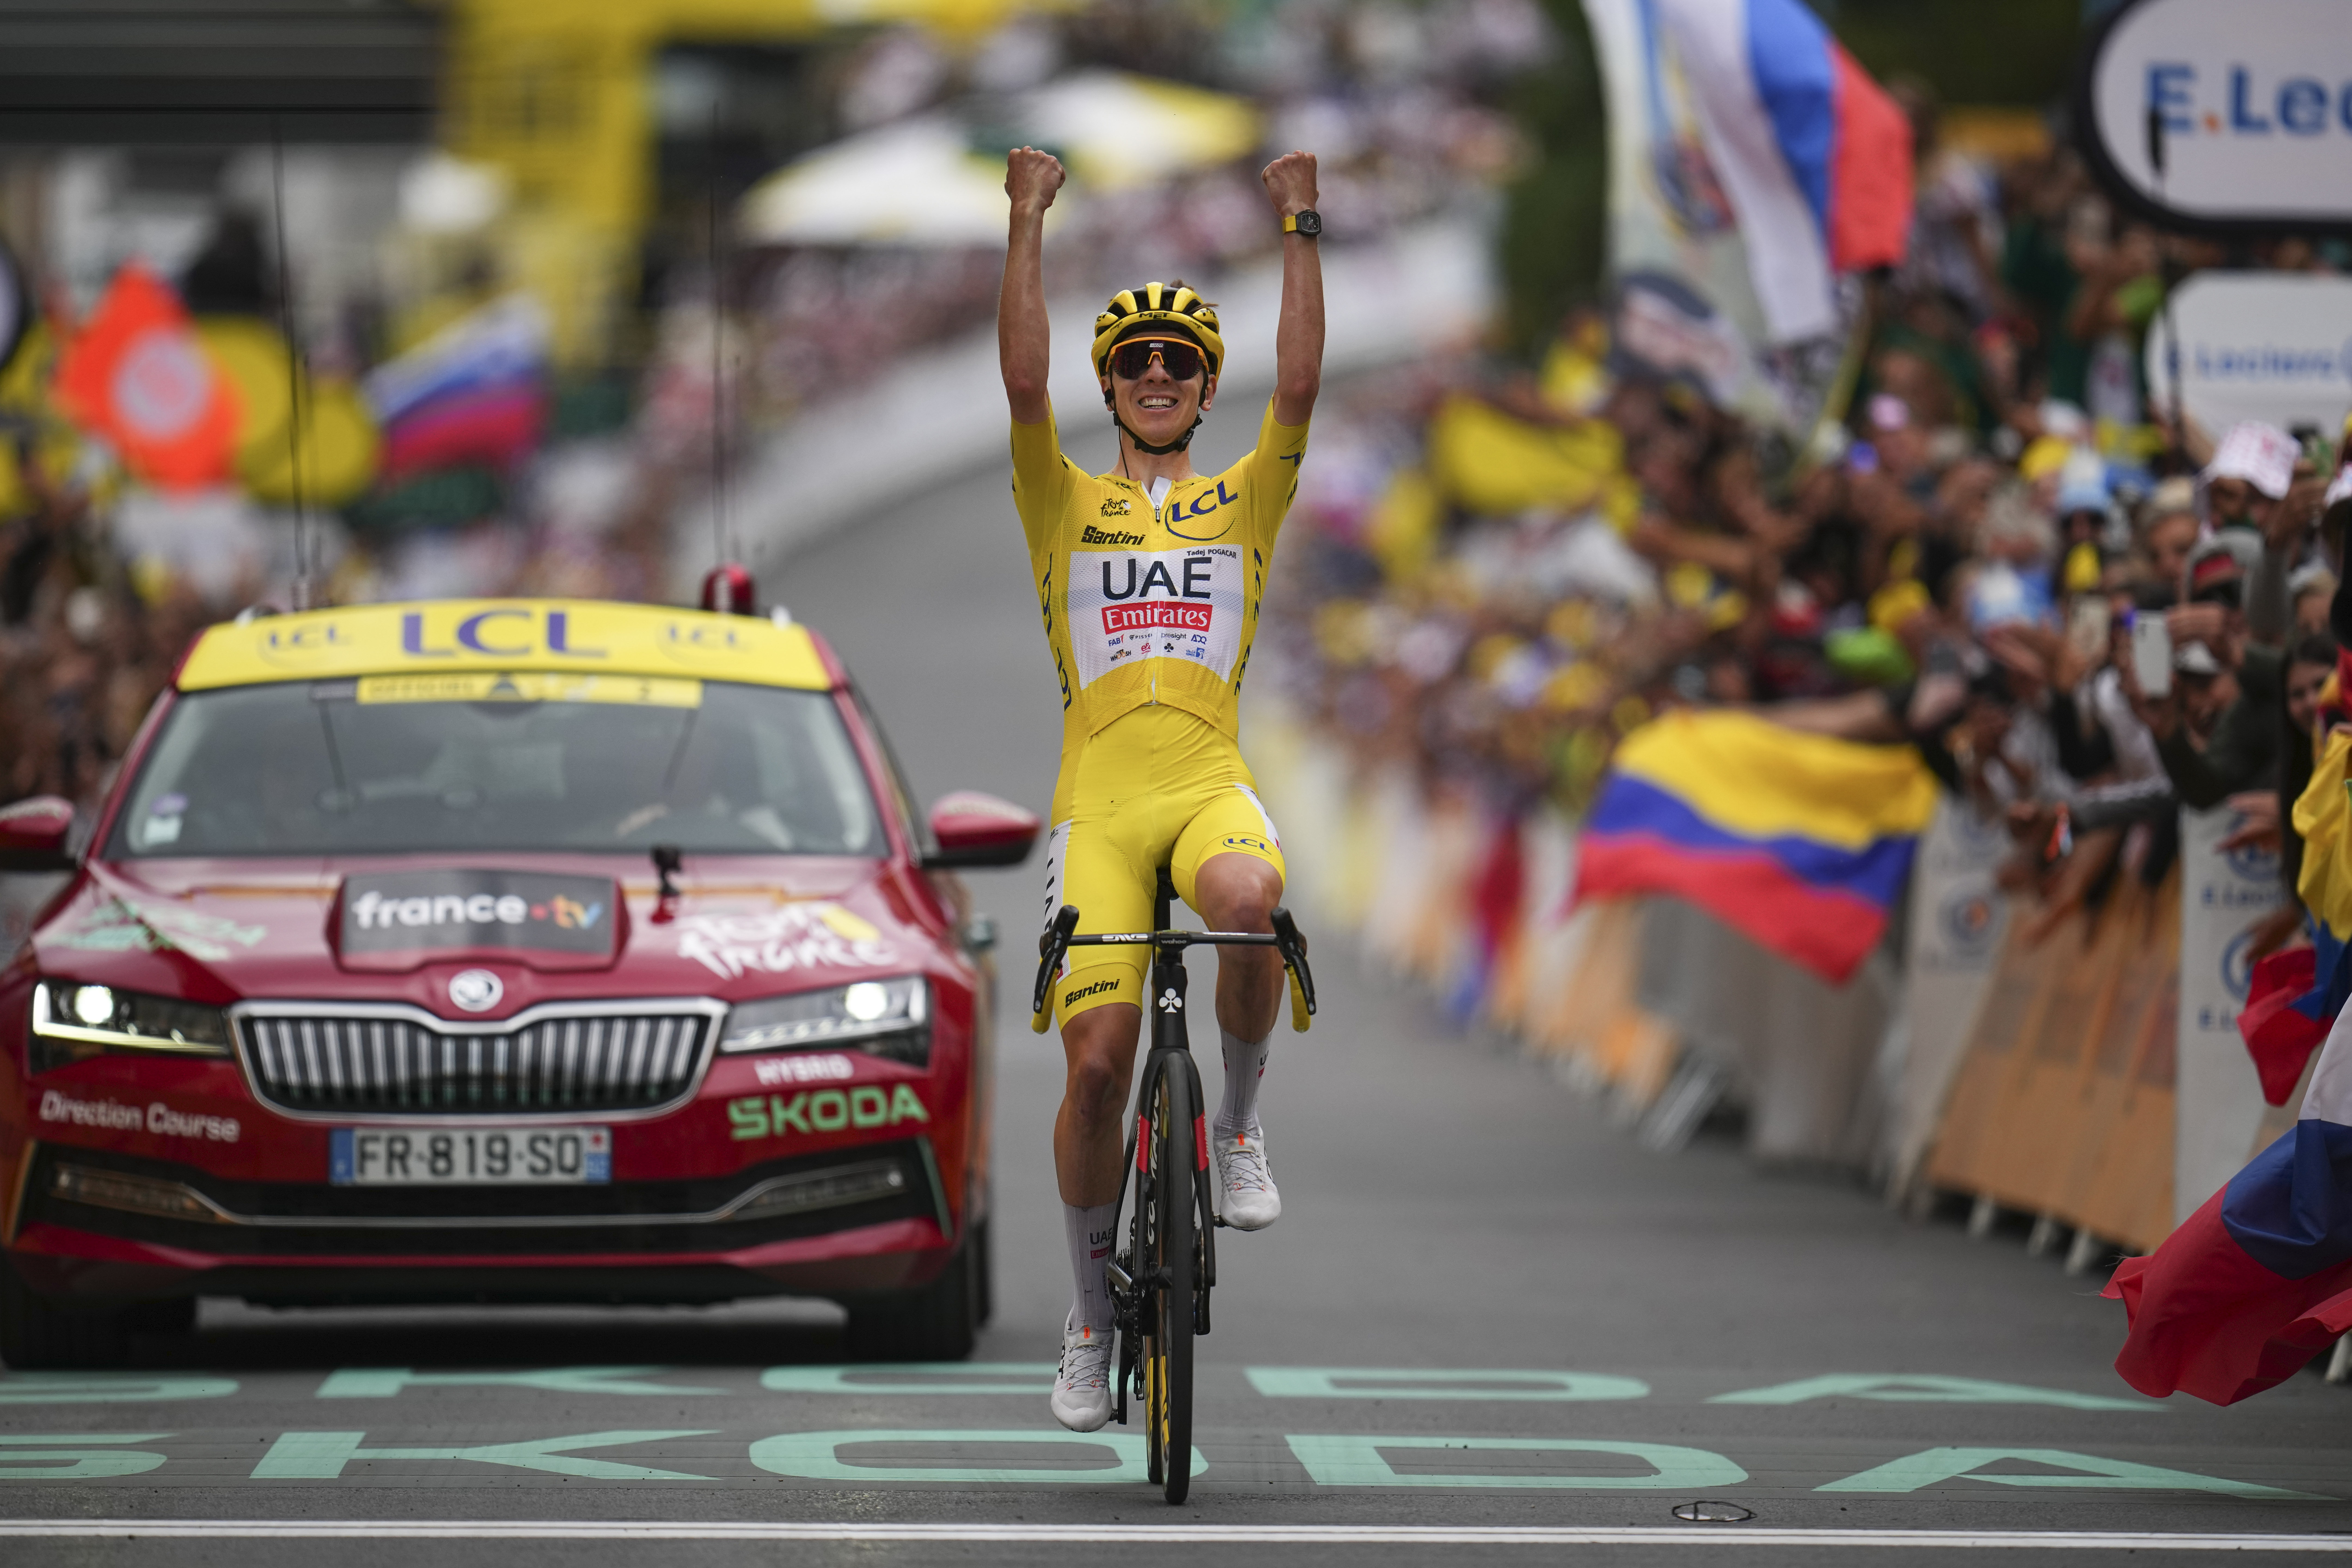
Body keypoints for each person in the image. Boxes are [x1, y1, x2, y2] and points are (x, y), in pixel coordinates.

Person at [998, 143, 1325, 1432]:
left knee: (1251, 894)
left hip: (1204, 784)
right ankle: (1088, 1324)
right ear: (1111, 385)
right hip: (1098, 808)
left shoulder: (1243, 502)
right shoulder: (1062, 501)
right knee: (1097, 1068)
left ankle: (1236, 1128)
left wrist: (1300, 219)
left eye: (1178, 362)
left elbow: (1303, 382)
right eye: (1133, 362)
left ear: (1201, 388)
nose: (1154, 374)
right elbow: (1018, 377)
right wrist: (1025, 218)